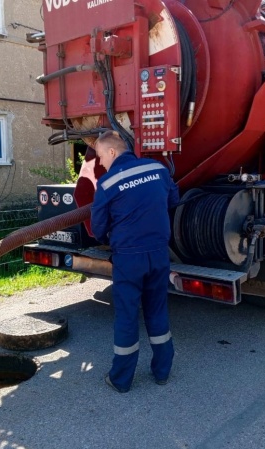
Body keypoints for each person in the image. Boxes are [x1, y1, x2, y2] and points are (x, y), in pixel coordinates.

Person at [90, 130, 179, 393]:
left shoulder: (107, 184)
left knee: (127, 316)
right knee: (157, 310)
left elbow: (97, 229)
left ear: (113, 152)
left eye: (100, 157)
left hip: (129, 258)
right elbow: (173, 200)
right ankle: (162, 372)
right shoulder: (158, 168)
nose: (100, 163)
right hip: (159, 253)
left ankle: (121, 379)